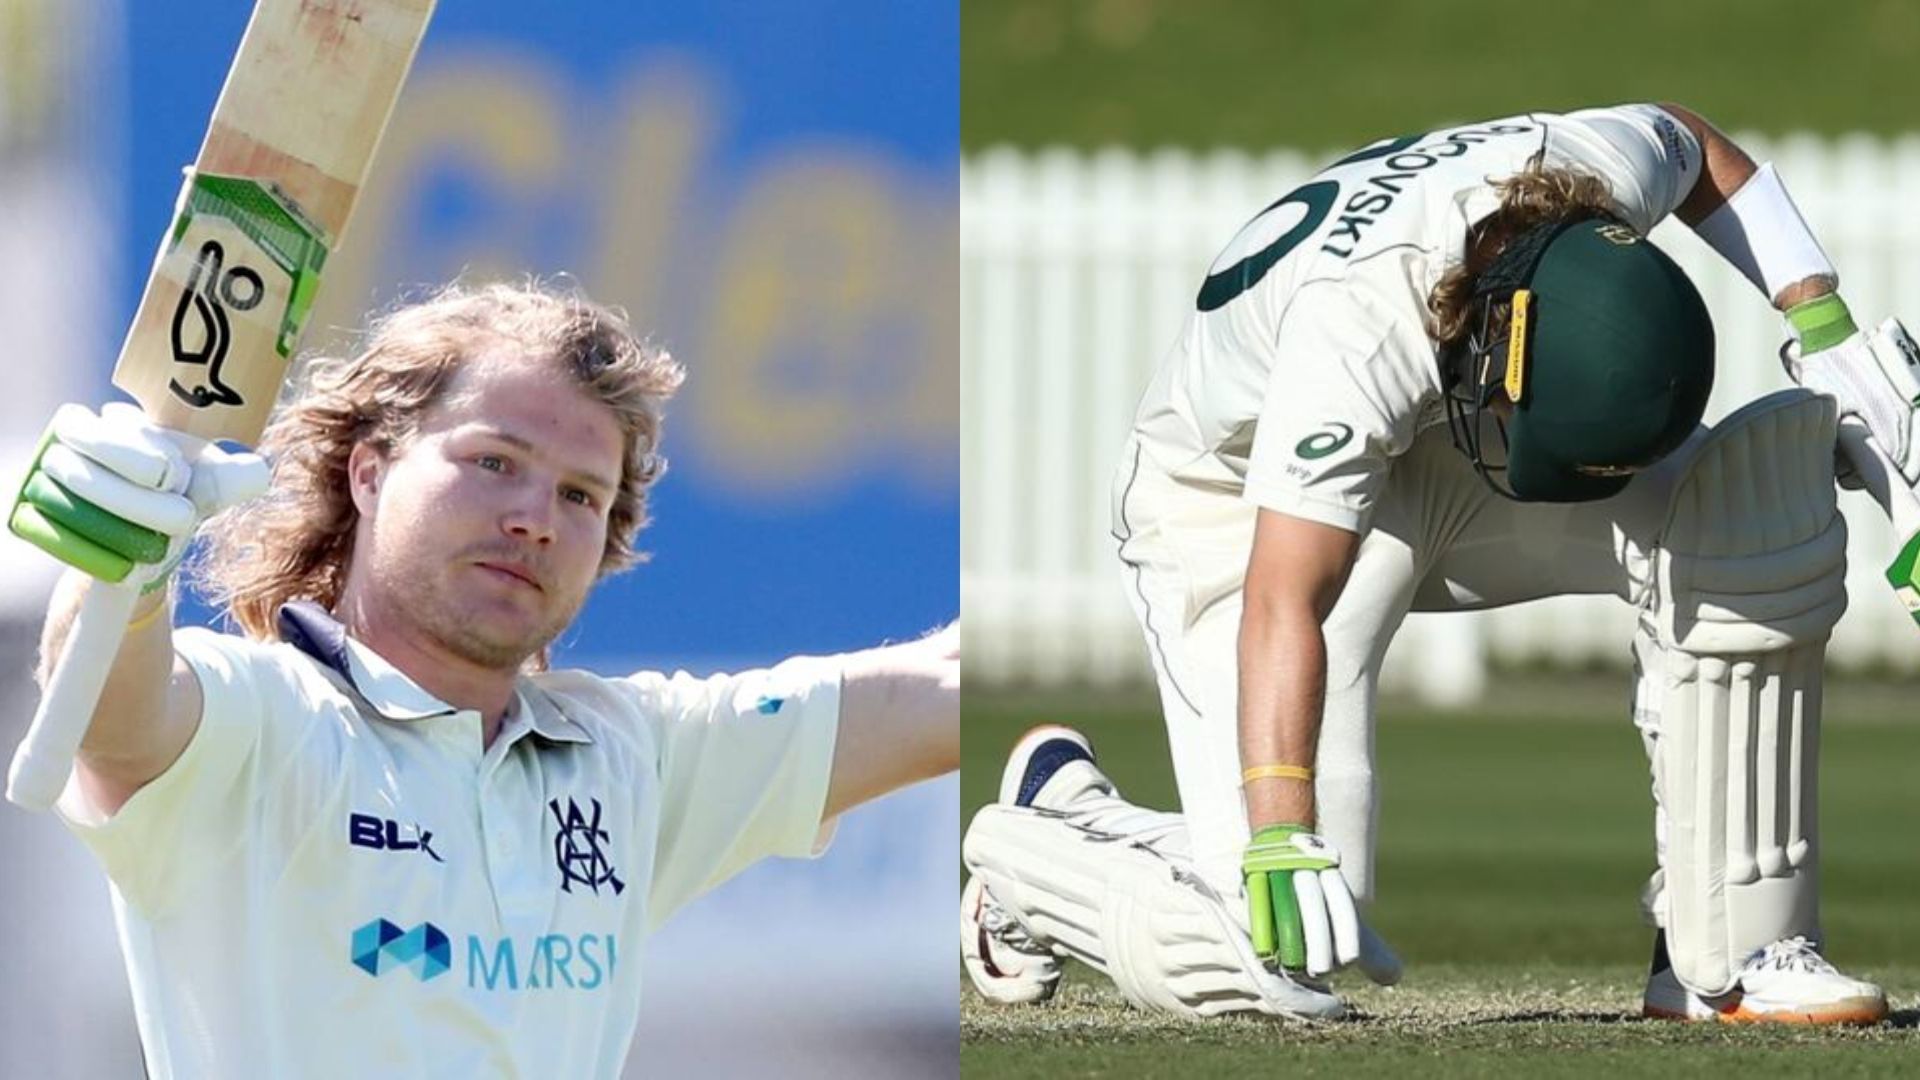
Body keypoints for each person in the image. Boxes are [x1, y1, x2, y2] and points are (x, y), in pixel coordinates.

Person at [962, 103, 1911, 1023]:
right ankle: (1045, 839)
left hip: (1432, 443)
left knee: (1741, 513)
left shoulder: (1602, 165)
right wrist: (1284, 833)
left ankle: (1728, 953)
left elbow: (1693, 140)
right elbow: (1283, 601)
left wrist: (1821, 323)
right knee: (1268, 953)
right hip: (1232, 508)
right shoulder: (1355, 332)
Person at [9, 281, 959, 1077]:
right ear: (370, 472)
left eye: (579, 495)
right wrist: (122, 568)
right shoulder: (260, 720)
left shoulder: (632, 757)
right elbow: (114, 714)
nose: (535, 518)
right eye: (494, 462)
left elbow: (949, 689)